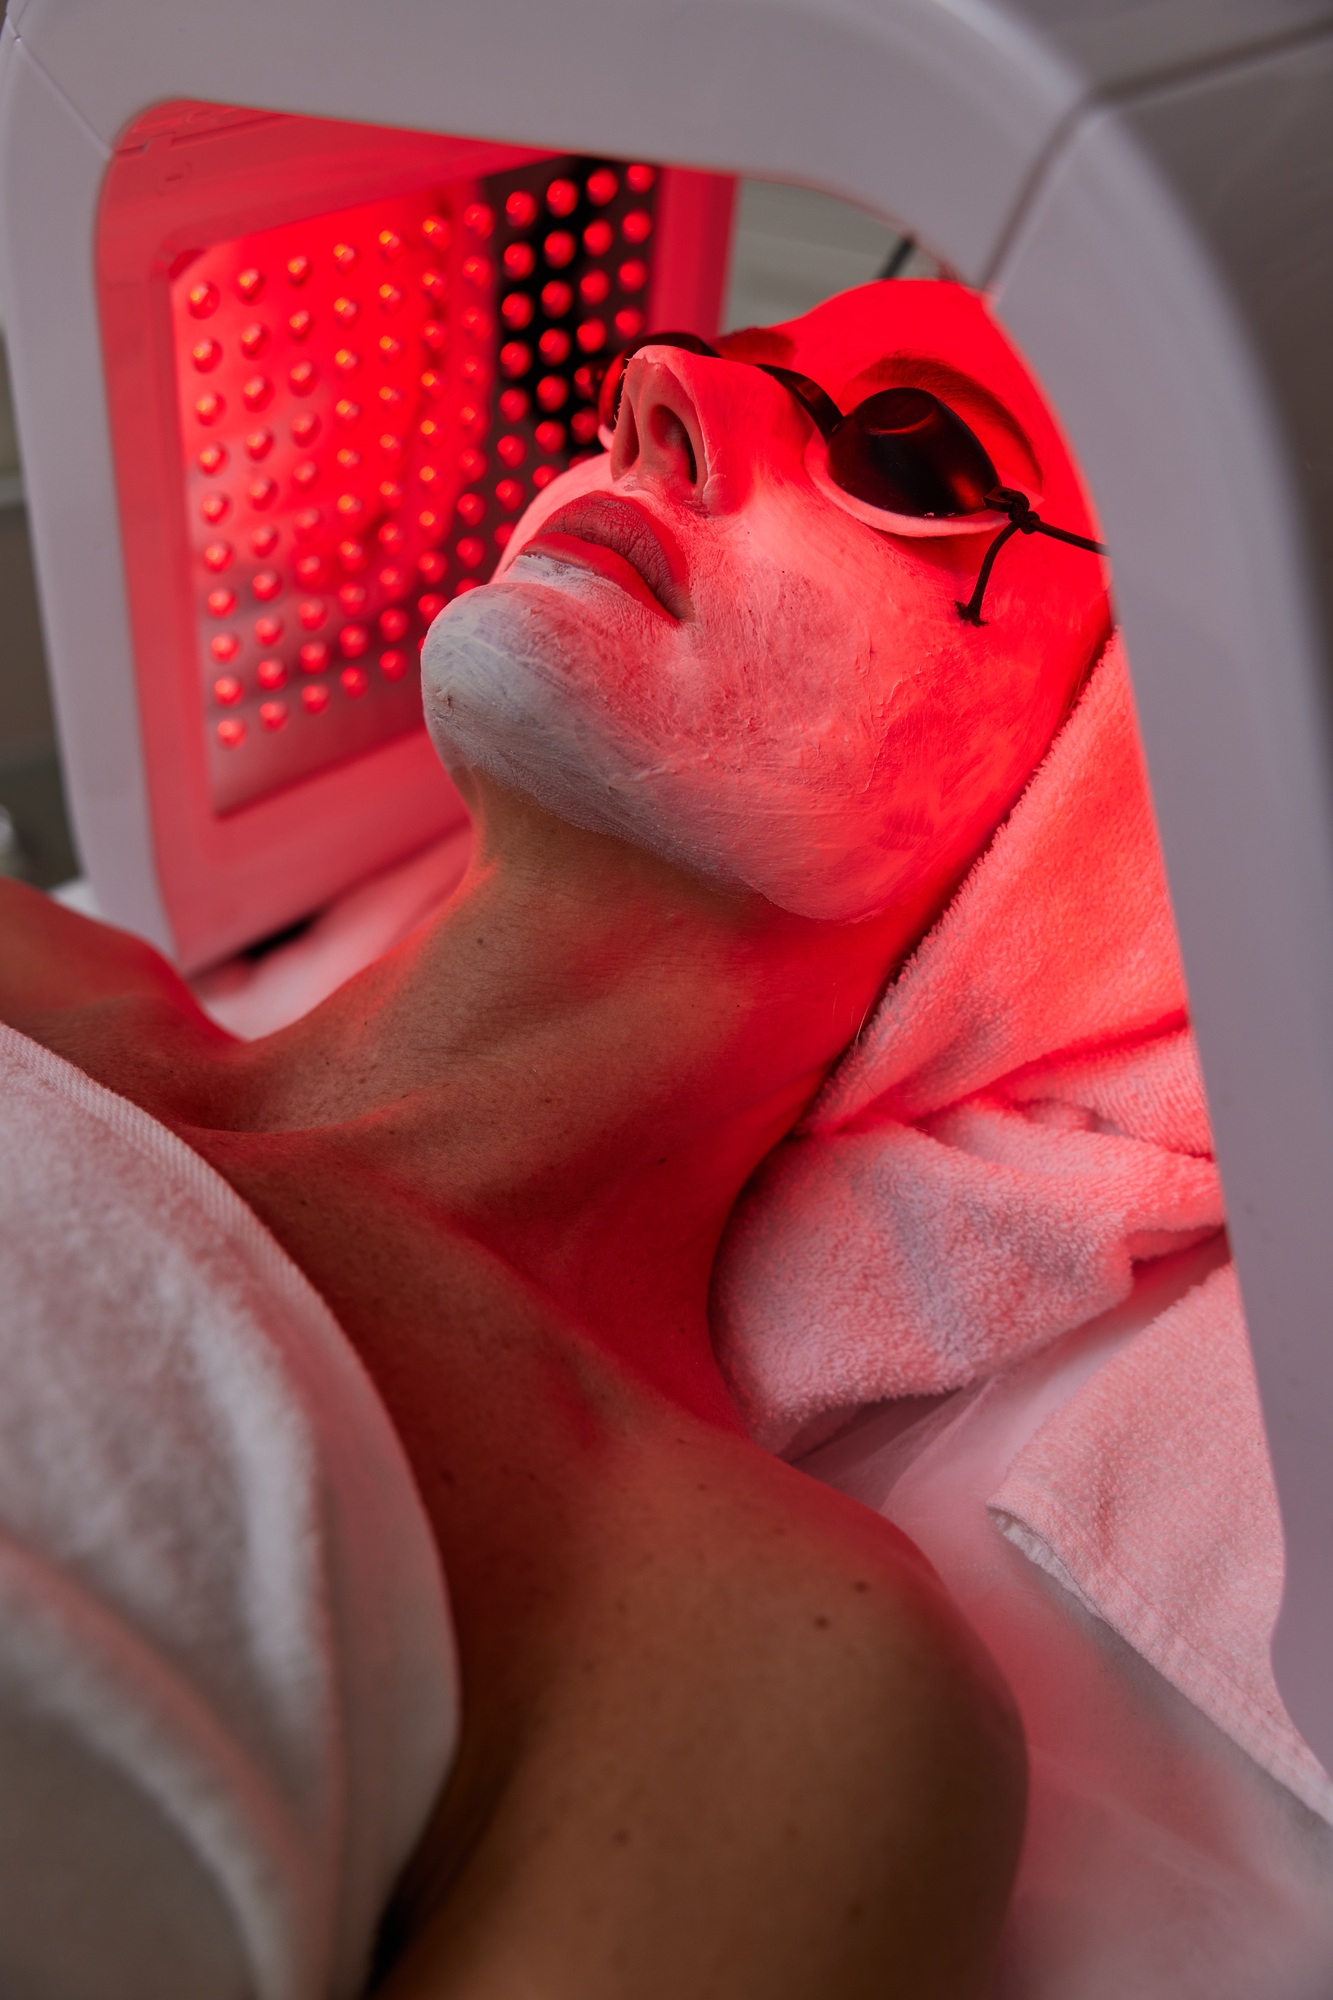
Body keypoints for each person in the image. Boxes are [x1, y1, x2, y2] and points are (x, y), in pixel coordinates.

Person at [0, 280, 1112, 1996]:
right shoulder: (30, 973)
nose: (656, 386)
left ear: (1082, 810)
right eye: (727, 365)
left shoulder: (748, 1660)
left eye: (913, 456)